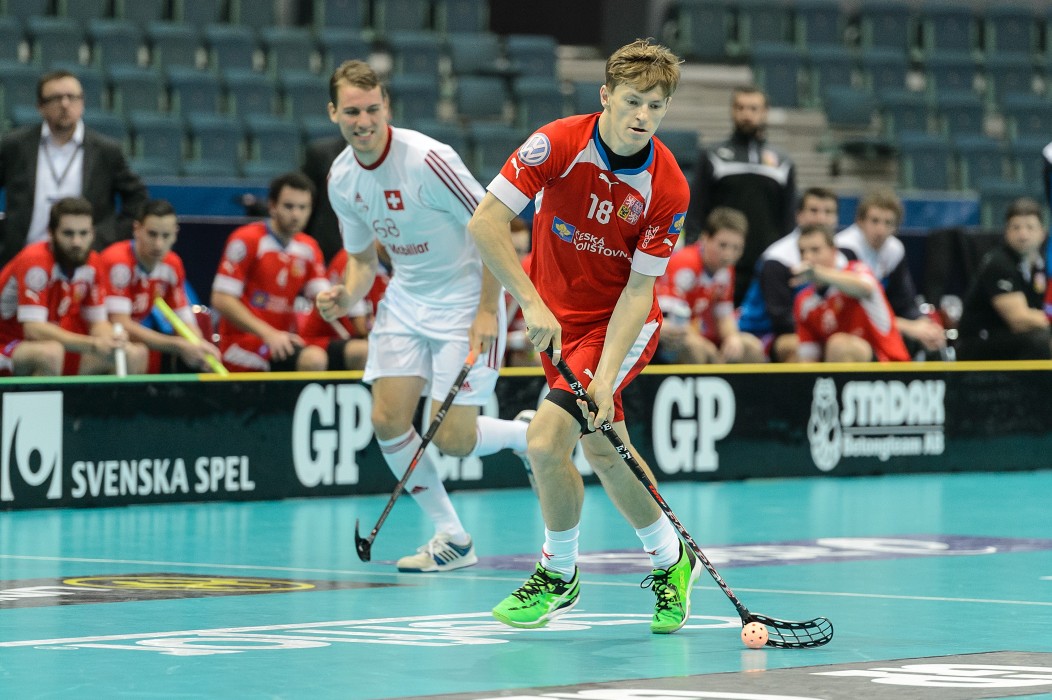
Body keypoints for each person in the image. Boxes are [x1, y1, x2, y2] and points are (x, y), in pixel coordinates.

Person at [467, 39, 700, 634]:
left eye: (656, 104)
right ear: (605, 97)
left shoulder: (667, 186)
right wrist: (530, 302)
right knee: (601, 447)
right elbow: (486, 222)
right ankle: (673, 562)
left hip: (617, 323)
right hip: (555, 319)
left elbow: (639, 293)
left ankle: (558, 573)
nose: (642, 115)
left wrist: (602, 373)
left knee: (546, 442)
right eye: (632, 101)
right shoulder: (559, 143)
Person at [314, 60, 530, 572]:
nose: (363, 121)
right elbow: (364, 261)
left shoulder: (430, 160)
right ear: (333, 113)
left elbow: (494, 230)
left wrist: (486, 311)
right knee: (388, 420)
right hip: (406, 300)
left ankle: (529, 434)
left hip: (466, 301)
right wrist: (345, 298)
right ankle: (453, 537)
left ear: (386, 106)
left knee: (454, 438)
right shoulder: (342, 178)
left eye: (371, 109)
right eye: (351, 111)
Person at [0, 70, 148, 268]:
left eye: (72, 97)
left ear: (83, 103)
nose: (65, 104)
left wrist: (108, 236)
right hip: (22, 258)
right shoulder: (15, 145)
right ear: (40, 107)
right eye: (56, 98)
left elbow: (137, 197)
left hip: (85, 260)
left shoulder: (106, 150)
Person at [0, 196, 147, 375]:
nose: (77, 242)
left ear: (92, 233)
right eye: (68, 234)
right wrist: (93, 344)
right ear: (51, 233)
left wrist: (111, 339)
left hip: (46, 345)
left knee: (133, 353)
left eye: (83, 233)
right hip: (7, 342)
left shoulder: (92, 263)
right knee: (50, 353)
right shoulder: (35, 262)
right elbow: (34, 330)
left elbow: (97, 323)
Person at [685, 85, 796, 304]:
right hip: (722, 262)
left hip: (766, 264)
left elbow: (788, 219)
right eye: (741, 108)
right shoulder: (712, 156)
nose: (747, 114)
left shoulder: (783, 163)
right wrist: (693, 249)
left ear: (765, 112)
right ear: (732, 111)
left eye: (753, 108)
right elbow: (697, 209)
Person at [211, 172, 331, 373]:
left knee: (348, 353)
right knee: (313, 360)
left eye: (303, 208)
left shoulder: (309, 248)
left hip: (284, 341)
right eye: (289, 206)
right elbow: (221, 299)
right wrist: (269, 334)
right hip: (241, 344)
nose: (296, 215)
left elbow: (323, 297)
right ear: (272, 206)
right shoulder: (247, 240)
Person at [99, 199, 222, 373]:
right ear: (137, 229)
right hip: (98, 338)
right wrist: (178, 345)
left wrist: (199, 346)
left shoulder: (173, 264)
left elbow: (185, 320)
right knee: (138, 352)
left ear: (175, 234)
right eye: (152, 234)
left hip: (126, 341)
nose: (158, 244)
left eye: (166, 236)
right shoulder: (118, 262)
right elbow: (121, 323)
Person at [834, 187, 946, 359]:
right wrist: (909, 327)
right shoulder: (845, 249)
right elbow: (861, 312)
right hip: (846, 325)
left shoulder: (894, 250)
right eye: (875, 221)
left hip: (881, 324)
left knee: (931, 335)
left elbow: (904, 303)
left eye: (888, 223)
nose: (880, 230)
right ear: (860, 221)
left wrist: (924, 324)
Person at [738, 186, 839, 362]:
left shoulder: (843, 256)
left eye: (828, 212)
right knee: (799, 346)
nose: (821, 218)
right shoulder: (776, 258)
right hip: (763, 331)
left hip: (816, 329)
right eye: (814, 211)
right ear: (798, 215)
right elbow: (780, 319)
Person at [655, 206, 764, 364]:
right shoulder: (685, 264)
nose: (729, 255)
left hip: (696, 334)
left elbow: (724, 316)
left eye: (736, 248)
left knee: (751, 348)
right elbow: (672, 323)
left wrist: (732, 338)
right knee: (695, 349)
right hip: (665, 333)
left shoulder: (725, 271)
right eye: (723, 245)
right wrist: (707, 347)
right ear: (705, 239)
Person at [792, 224, 910, 362]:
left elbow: (865, 288)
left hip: (888, 364)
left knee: (839, 344)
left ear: (833, 251)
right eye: (802, 251)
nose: (807, 257)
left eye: (815, 250)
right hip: (842, 369)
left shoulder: (857, 270)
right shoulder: (804, 301)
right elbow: (809, 358)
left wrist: (818, 273)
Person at [956, 197, 1051, 361]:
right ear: (1006, 232)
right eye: (1016, 228)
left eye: (1030, 227)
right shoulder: (999, 263)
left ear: (1042, 233)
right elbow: (1019, 320)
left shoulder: (1040, 266)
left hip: (1012, 340)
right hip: (979, 343)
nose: (1023, 235)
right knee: (1041, 340)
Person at [300, 244, 388, 371]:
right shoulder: (353, 259)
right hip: (323, 339)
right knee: (368, 351)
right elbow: (362, 328)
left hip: (352, 340)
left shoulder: (396, 266)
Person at [301, 135, 348, 264]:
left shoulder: (397, 157)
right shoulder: (320, 153)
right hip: (328, 246)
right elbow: (305, 197)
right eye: (353, 113)